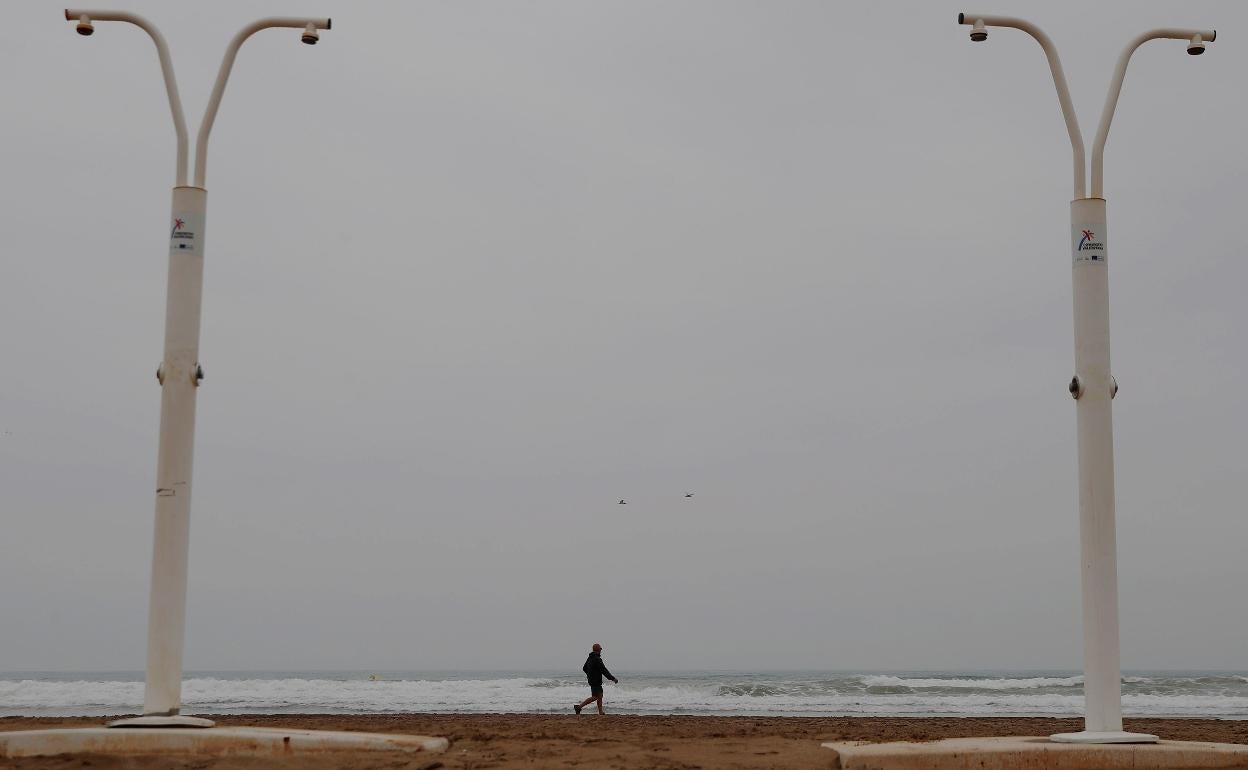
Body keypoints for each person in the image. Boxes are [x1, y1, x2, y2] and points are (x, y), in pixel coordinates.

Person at [573, 643, 618, 714]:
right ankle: (578, 707)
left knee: (600, 695)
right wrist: (613, 678)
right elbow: (604, 670)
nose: (601, 650)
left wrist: (590, 675)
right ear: (597, 649)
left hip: (592, 680)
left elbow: (584, 668)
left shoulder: (590, 658)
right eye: (600, 648)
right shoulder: (597, 659)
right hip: (596, 681)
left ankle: (600, 711)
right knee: (595, 697)